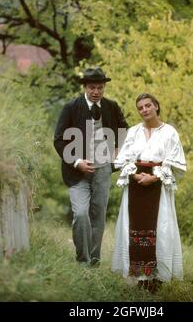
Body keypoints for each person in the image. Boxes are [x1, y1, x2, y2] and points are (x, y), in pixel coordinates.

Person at [112, 93, 186, 292]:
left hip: (158, 187)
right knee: (133, 229)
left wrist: (154, 177)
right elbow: (124, 159)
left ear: (156, 106)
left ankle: (157, 278)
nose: (144, 110)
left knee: (160, 228)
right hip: (135, 187)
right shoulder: (134, 132)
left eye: (147, 106)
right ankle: (139, 277)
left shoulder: (169, 132)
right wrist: (135, 175)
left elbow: (174, 161)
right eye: (140, 108)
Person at [54, 67, 128, 266]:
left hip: (103, 169)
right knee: (80, 214)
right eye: (92, 87)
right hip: (76, 172)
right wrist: (77, 162)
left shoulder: (112, 106)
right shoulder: (71, 108)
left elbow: (123, 129)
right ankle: (82, 260)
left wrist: (118, 149)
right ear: (85, 87)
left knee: (99, 216)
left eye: (100, 88)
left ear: (104, 88)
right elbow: (59, 139)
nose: (96, 91)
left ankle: (93, 262)